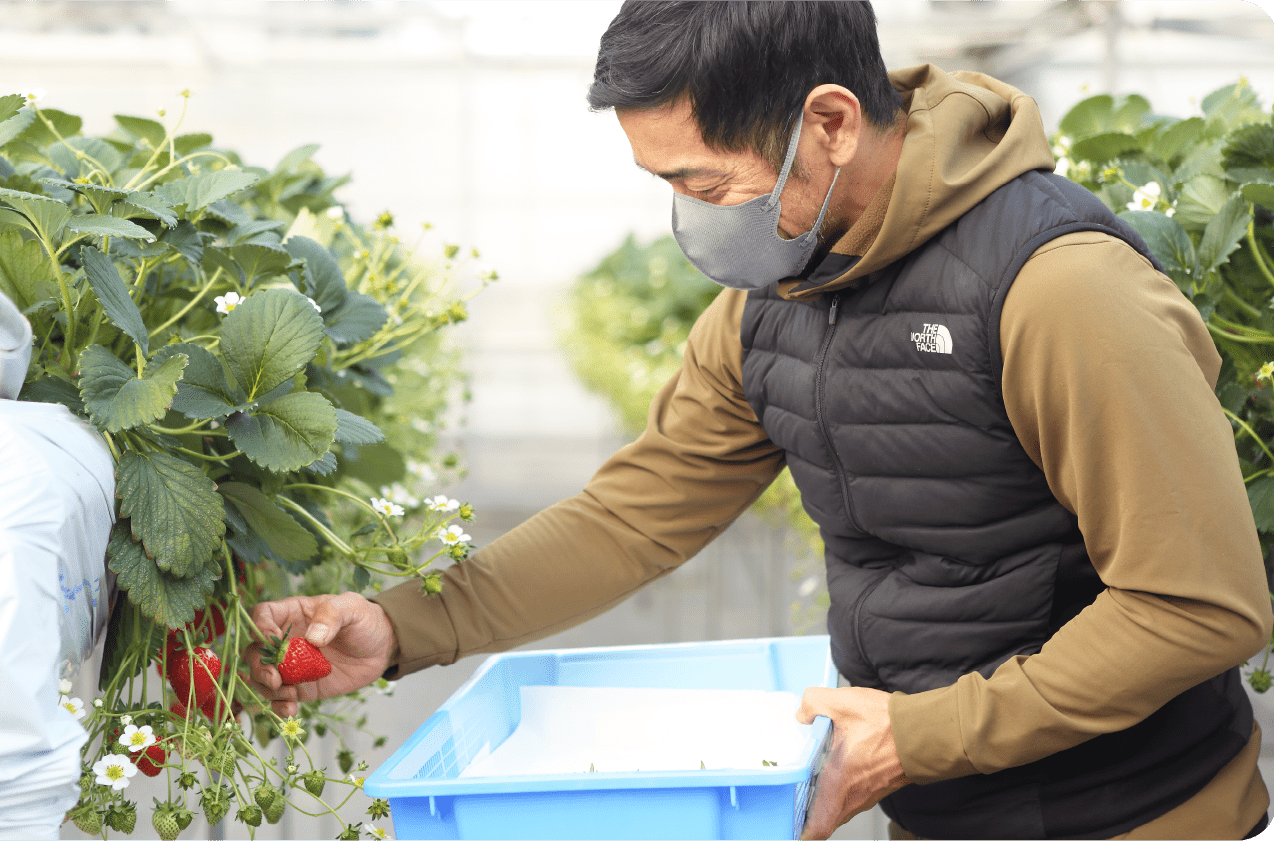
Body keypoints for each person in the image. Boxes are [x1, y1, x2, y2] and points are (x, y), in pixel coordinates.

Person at [247, 3, 1273, 838]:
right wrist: (402, 626)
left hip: (1137, 812)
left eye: (707, 183)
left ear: (830, 122)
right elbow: (633, 515)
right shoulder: (769, 300)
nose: (694, 219)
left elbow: (1200, 608)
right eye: (669, 188)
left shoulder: (1058, 290)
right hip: (938, 805)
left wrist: (922, 734)